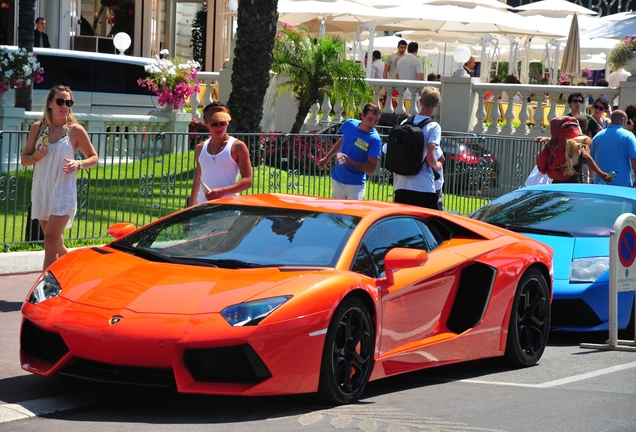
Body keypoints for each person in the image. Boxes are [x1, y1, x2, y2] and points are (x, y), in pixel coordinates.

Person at [20, 85, 98, 270]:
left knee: (49, 240)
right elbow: (24, 160)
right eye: (60, 101)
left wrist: (78, 164)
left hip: (63, 191)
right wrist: (35, 157)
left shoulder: (75, 130)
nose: (65, 106)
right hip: (42, 190)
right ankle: (78, 271)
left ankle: (46, 290)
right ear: (50, 103)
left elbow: (94, 158)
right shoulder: (38, 129)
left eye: (68, 102)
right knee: (58, 245)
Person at [188, 103, 253, 206]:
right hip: (202, 207)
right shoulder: (200, 148)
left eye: (222, 124)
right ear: (206, 124)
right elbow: (197, 181)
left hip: (227, 208)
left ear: (228, 123)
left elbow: (248, 180)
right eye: (214, 124)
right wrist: (189, 211)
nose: (219, 128)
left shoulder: (238, 146)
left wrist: (222, 191)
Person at [317, 103, 382, 200]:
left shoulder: (375, 139)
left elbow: (371, 168)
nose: (372, 124)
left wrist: (350, 162)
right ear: (362, 116)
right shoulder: (349, 124)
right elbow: (343, 140)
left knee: (352, 215)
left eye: (375, 121)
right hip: (338, 179)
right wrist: (327, 158)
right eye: (370, 119)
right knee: (335, 214)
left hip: (356, 186)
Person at [392, 87, 443, 209]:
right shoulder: (433, 127)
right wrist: (437, 166)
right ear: (437, 104)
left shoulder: (405, 123)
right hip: (423, 186)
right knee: (428, 226)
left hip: (400, 186)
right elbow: (431, 158)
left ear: (420, 102)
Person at [590, 110, 636, 187]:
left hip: (600, 184)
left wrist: (591, 178)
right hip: (621, 184)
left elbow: (591, 159)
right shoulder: (629, 136)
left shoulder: (597, 136)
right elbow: (634, 159)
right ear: (623, 119)